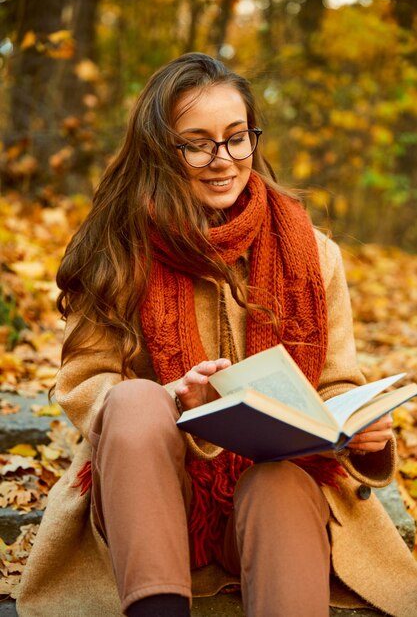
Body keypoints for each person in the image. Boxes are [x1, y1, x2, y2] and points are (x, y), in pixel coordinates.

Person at [17, 52, 417, 617]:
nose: (222, 159)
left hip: (269, 503)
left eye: (236, 138)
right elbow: (84, 382)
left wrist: (361, 431)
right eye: (197, 143)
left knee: (277, 482)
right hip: (154, 497)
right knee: (133, 401)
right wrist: (174, 400)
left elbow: (335, 385)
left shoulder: (313, 253)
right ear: (161, 148)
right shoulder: (116, 247)